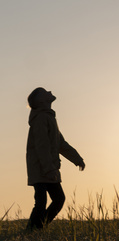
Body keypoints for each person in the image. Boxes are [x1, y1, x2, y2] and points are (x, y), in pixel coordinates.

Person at [26, 87, 85, 231]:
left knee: (58, 199)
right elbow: (42, 146)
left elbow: (61, 144)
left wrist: (77, 159)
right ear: (41, 101)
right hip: (41, 168)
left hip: (49, 168)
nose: (50, 91)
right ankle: (33, 229)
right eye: (45, 91)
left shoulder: (49, 117)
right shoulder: (40, 118)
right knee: (41, 203)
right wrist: (49, 168)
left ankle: (37, 228)